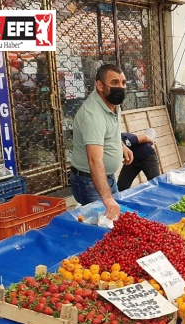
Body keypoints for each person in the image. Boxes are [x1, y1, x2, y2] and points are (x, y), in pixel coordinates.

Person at [70, 64, 133, 220]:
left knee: (118, 221)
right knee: (102, 228)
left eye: (123, 83)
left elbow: (110, 129)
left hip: (107, 177)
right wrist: (107, 198)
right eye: (114, 83)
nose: (121, 87)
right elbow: (94, 160)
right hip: (89, 181)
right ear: (99, 85)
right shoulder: (93, 115)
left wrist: (121, 145)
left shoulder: (111, 103)